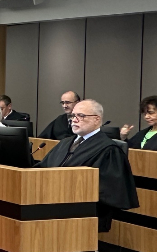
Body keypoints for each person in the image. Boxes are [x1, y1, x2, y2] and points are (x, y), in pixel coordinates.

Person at [35, 99, 138, 231]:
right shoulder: (65, 143)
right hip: (52, 202)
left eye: (81, 116)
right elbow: (44, 167)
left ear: (96, 119)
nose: (74, 120)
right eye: (73, 115)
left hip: (81, 212)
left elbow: (109, 190)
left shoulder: (109, 149)